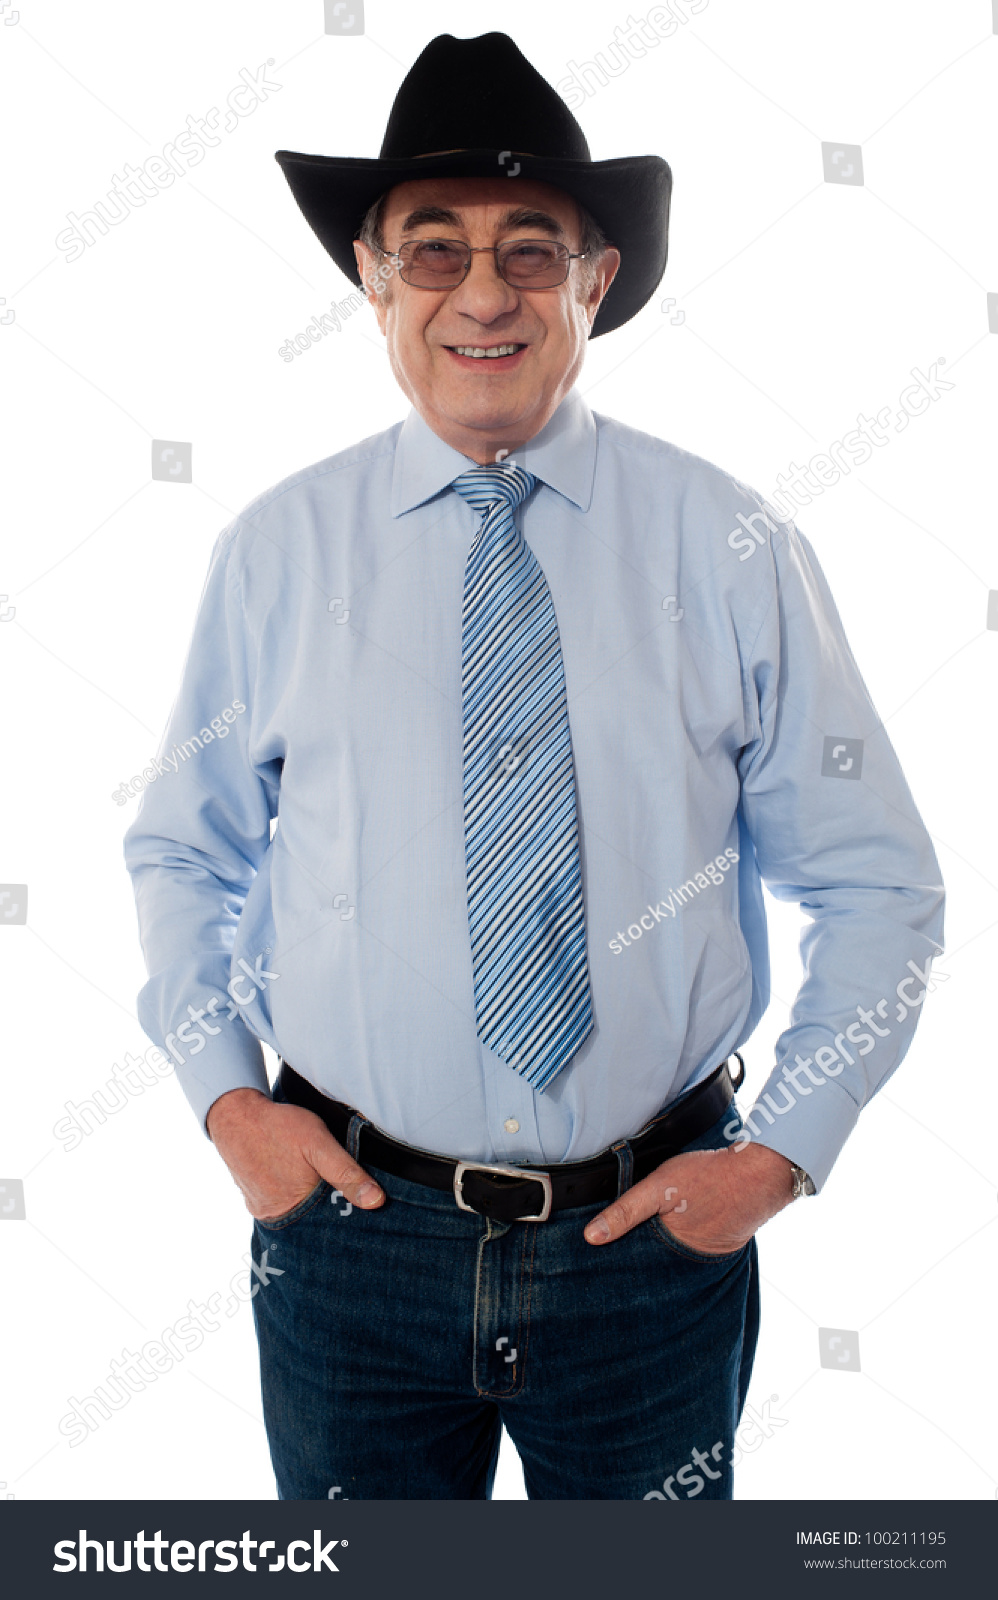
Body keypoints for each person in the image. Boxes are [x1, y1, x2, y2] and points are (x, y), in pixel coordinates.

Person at [123, 32, 944, 1500]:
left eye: (529, 249)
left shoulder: (732, 546)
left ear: (596, 281)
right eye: (431, 252)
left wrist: (778, 1156)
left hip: (651, 1247)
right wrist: (226, 1102)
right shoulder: (275, 555)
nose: (482, 292)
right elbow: (184, 849)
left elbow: (876, 883)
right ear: (371, 281)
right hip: (348, 1248)